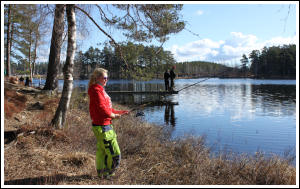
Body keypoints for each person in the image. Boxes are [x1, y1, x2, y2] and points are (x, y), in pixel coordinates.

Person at [88, 68, 129, 178]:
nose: (106, 80)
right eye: (104, 78)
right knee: (115, 155)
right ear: (97, 78)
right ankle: (108, 175)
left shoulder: (100, 90)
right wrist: (113, 116)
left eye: (107, 78)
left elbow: (108, 108)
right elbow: (102, 109)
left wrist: (121, 112)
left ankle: (102, 175)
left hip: (104, 126)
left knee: (102, 152)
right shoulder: (96, 90)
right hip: (102, 127)